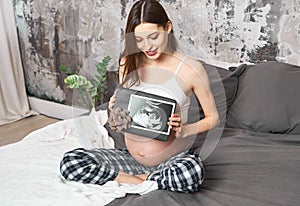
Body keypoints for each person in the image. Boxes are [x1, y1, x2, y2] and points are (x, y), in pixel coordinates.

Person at [60, 0, 219, 193]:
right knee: (71, 162)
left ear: (167, 27)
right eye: (139, 40)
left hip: (171, 160)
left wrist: (184, 130)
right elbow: (125, 115)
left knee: (190, 173)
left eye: (153, 37)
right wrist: (115, 109)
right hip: (130, 159)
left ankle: (129, 180)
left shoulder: (191, 69)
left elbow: (213, 118)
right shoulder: (128, 62)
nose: (147, 46)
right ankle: (141, 181)